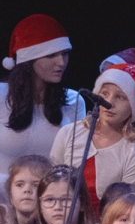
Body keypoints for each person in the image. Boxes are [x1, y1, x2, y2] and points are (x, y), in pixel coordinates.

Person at [51, 60, 135, 210]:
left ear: (133, 107)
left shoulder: (133, 155)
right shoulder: (69, 133)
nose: (109, 102)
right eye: (105, 93)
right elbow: (50, 183)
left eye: (120, 97)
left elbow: (126, 210)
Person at [0, 15, 82, 170]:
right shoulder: (1, 94)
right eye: (51, 55)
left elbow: (75, 163)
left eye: (65, 53)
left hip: (51, 186)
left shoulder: (74, 100)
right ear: (29, 59)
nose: (61, 62)